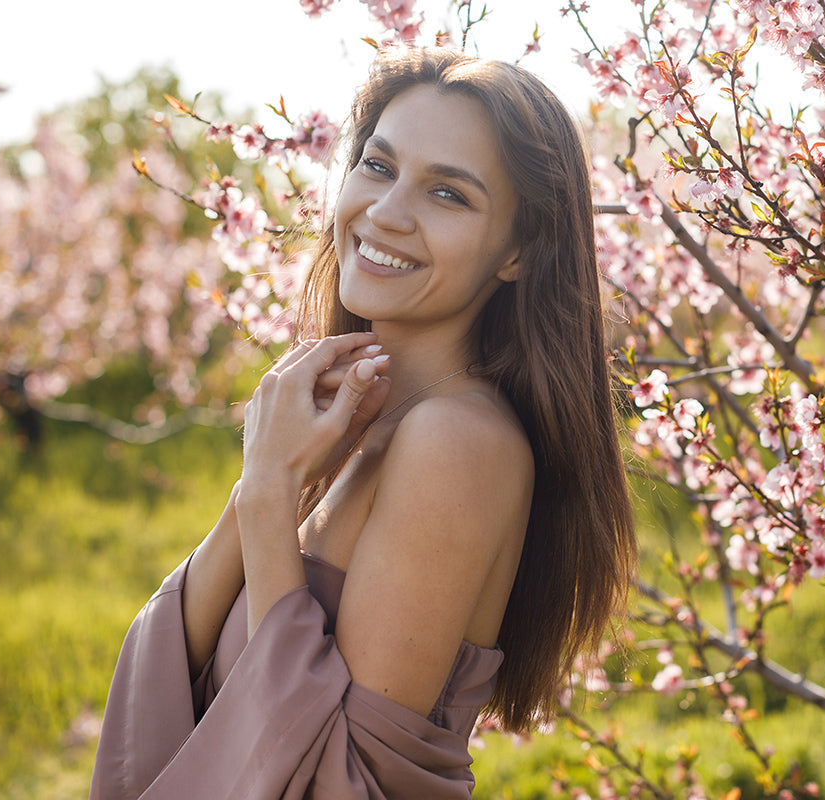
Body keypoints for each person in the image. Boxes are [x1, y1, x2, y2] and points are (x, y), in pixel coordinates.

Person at [90, 46, 635, 799]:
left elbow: (344, 779)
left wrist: (272, 493)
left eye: (448, 194)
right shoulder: (349, 420)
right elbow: (167, 667)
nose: (385, 212)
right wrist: (263, 485)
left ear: (518, 250)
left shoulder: (458, 443)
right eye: (378, 167)